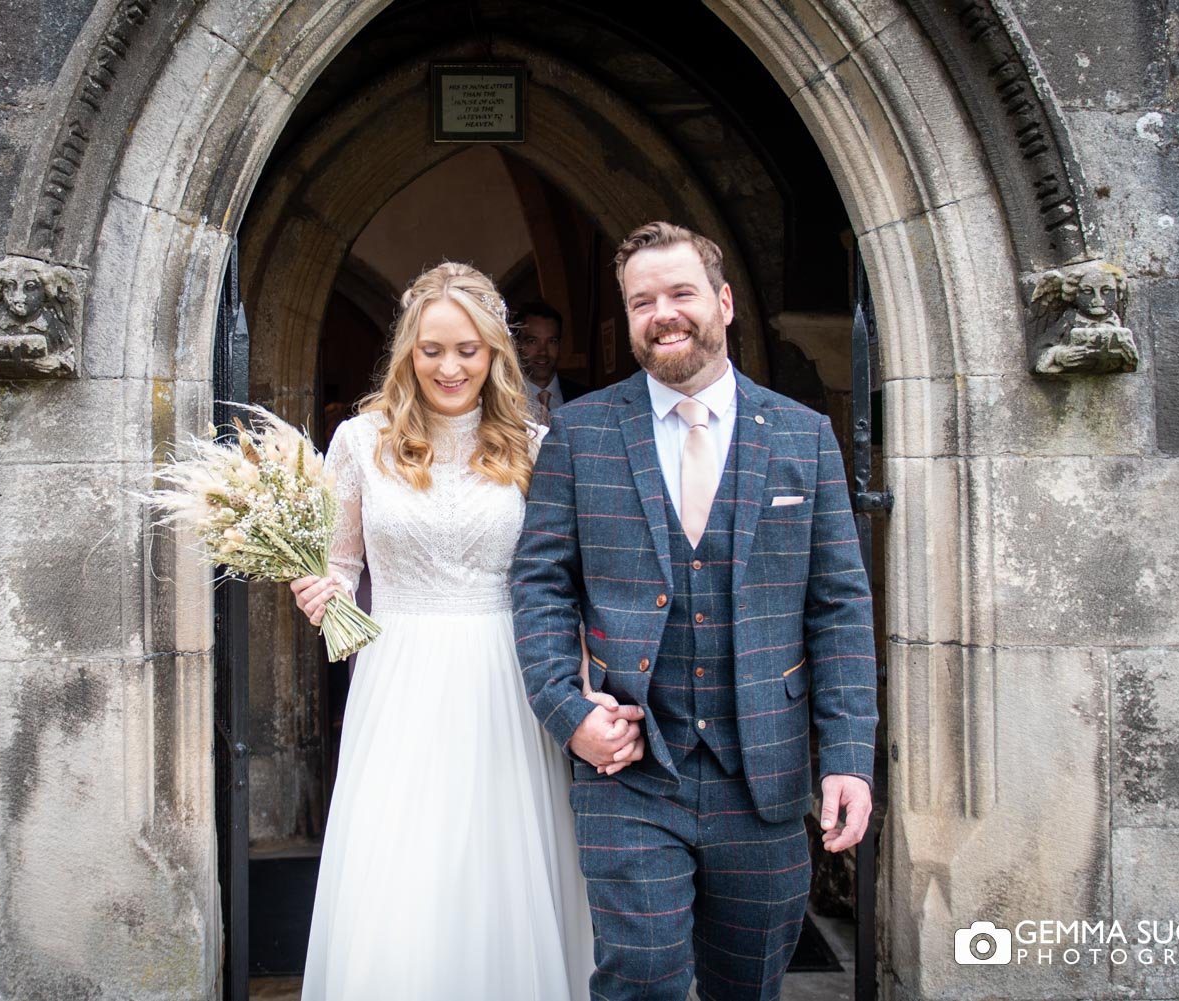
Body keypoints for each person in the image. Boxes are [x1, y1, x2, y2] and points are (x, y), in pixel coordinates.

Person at [512, 222, 879, 1000]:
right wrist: (567, 709)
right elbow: (540, 585)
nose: (662, 313)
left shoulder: (803, 437)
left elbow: (839, 605)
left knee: (747, 986)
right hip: (631, 771)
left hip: (767, 777)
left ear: (723, 301)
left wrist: (847, 753)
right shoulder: (580, 434)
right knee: (640, 976)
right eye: (642, 300)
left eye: (679, 293)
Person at [290, 262, 639, 1001]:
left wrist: (583, 694)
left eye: (468, 350)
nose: (450, 367)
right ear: (407, 353)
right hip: (398, 679)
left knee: (501, 870)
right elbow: (340, 565)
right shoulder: (358, 442)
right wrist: (319, 592)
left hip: (508, 682)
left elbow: (562, 589)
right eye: (432, 350)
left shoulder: (538, 446)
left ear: (494, 353)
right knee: (403, 874)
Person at [512, 300, 589, 424]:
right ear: (516, 344)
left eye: (551, 341)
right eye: (532, 341)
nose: (543, 352)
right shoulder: (501, 402)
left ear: (560, 345)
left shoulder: (586, 399)